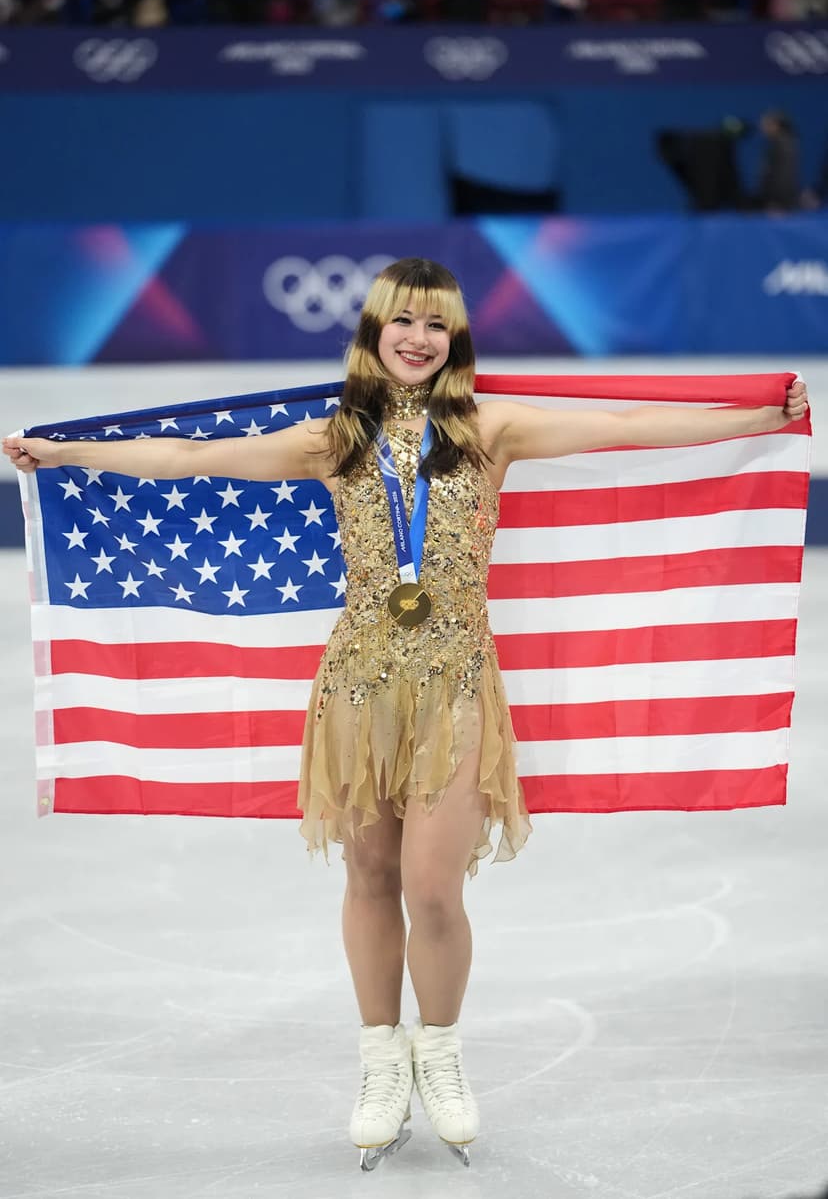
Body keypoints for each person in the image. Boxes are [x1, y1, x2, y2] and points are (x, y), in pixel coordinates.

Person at [2, 258, 809, 1171]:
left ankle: (442, 1051)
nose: (419, 339)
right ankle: (380, 1058)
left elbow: (623, 427)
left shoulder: (487, 427)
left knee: (434, 886)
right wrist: (65, 453)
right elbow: (188, 460)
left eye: (438, 325)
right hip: (358, 685)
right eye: (404, 322)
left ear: (456, 337)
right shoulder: (334, 440)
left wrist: (756, 415)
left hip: (458, 681)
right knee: (371, 876)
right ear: (374, 331)